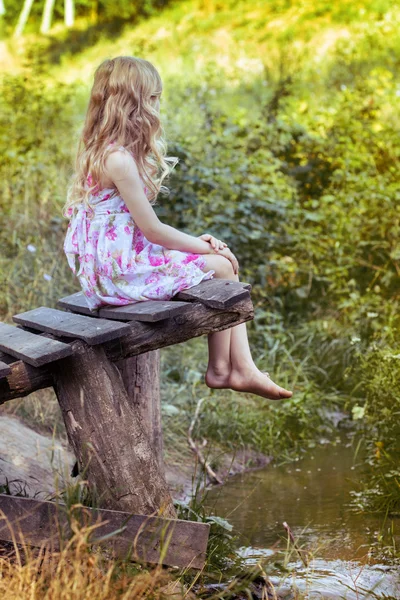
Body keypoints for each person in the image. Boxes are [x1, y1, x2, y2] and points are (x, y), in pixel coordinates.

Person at [63, 56, 293, 401]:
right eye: (153, 98)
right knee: (222, 265)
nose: (158, 106)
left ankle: (229, 368)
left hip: (120, 263)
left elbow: (140, 232)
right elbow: (153, 230)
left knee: (222, 265)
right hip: (118, 275)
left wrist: (196, 244)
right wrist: (207, 249)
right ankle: (232, 368)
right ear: (131, 104)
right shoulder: (119, 160)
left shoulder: (105, 151)